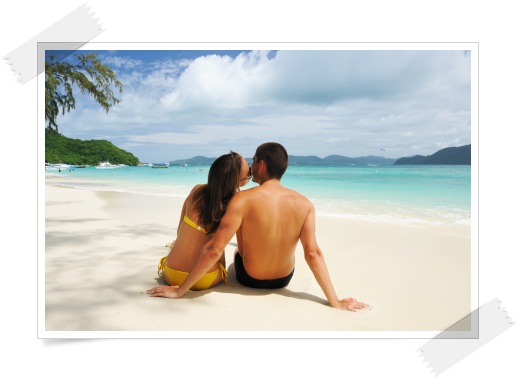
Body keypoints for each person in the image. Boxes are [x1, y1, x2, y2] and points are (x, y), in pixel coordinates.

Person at [147, 143, 368, 312]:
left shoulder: (241, 200)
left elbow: (212, 248)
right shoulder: (305, 204)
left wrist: (180, 291)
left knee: (234, 249)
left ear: (261, 165)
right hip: (284, 280)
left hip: (247, 278)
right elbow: (313, 253)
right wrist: (335, 301)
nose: (251, 169)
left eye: (253, 162)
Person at [153, 151, 251, 292]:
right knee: (222, 247)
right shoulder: (236, 204)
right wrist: (179, 292)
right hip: (203, 279)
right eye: (249, 172)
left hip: (170, 272)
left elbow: (180, 229)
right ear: (239, 181)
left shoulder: (196, 190)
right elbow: (213, 252)